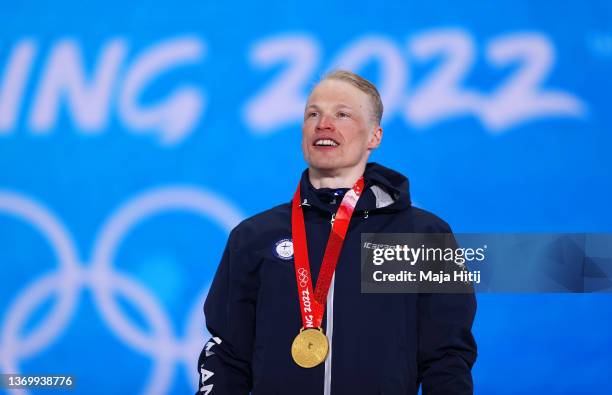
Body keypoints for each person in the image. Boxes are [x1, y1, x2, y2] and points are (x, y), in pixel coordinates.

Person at [196, 70, 477, 395]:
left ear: (375, 136)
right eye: (312, 114)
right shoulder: (255, 237)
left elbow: (446, 358)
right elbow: (228, 355)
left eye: (342, 114)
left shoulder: (419, 235)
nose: (323, 124)